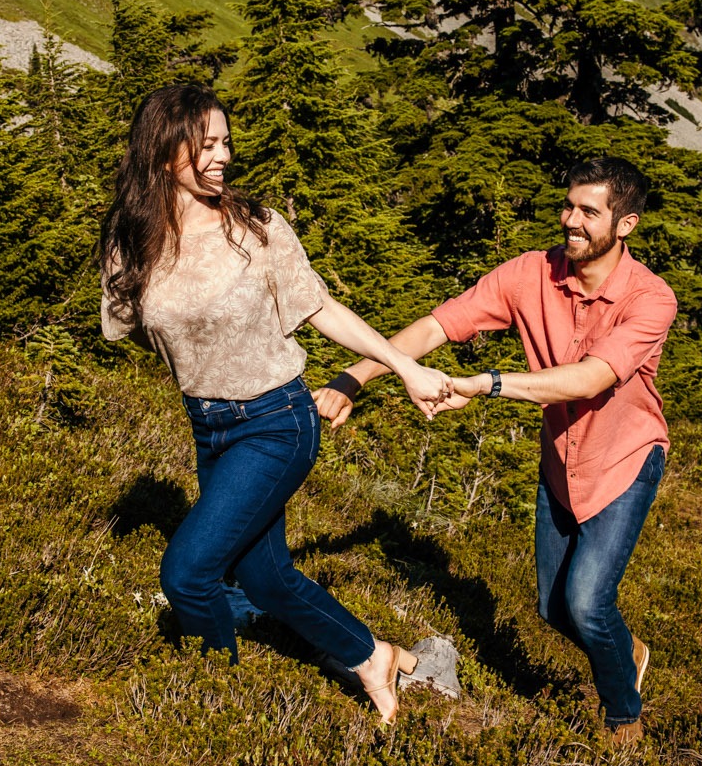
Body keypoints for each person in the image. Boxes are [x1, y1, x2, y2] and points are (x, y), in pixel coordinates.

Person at [99, 82, 455, 723]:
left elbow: (320, 308)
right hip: (208, 427)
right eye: (205, 145)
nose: (222, 157)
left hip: (275, 422)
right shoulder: (132, 238)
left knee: (186, 575)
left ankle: (219, 700)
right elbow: (125, 322)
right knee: (264, 579)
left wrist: (401, 366)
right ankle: (376, 657)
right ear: (161, 152)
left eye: (225, 143)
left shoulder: (255, 227)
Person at [314, 156, 676, 746]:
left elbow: (589, 379)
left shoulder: (651, 299)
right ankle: (624, 647)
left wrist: (488, 384)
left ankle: (623, 718)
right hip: (561, 462)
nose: (571, 220)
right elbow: (436, 326)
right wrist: (354, 379)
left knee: (586, 603)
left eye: (589, 212)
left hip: (625, 460)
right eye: (569, 205)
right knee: (553, 609)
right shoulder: (528, 274)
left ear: (626, 224)